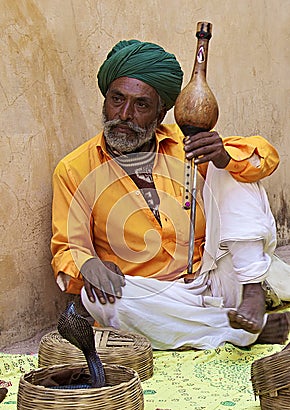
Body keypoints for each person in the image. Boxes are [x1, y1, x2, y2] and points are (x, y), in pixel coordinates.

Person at [51, 39, 290, 350]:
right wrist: (89, 266)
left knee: (230, 167)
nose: (124, 115)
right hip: (152, 295)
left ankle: (252, 294)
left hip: (214, 276)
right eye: (116, 99)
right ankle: (236, 330)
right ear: (105, 100)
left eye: (141, 105)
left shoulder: (186, 143)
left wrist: (224, 158)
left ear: (162, 112)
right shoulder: (75, 169)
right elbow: (68, 248)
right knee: (98, 302)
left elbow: (264, 158)